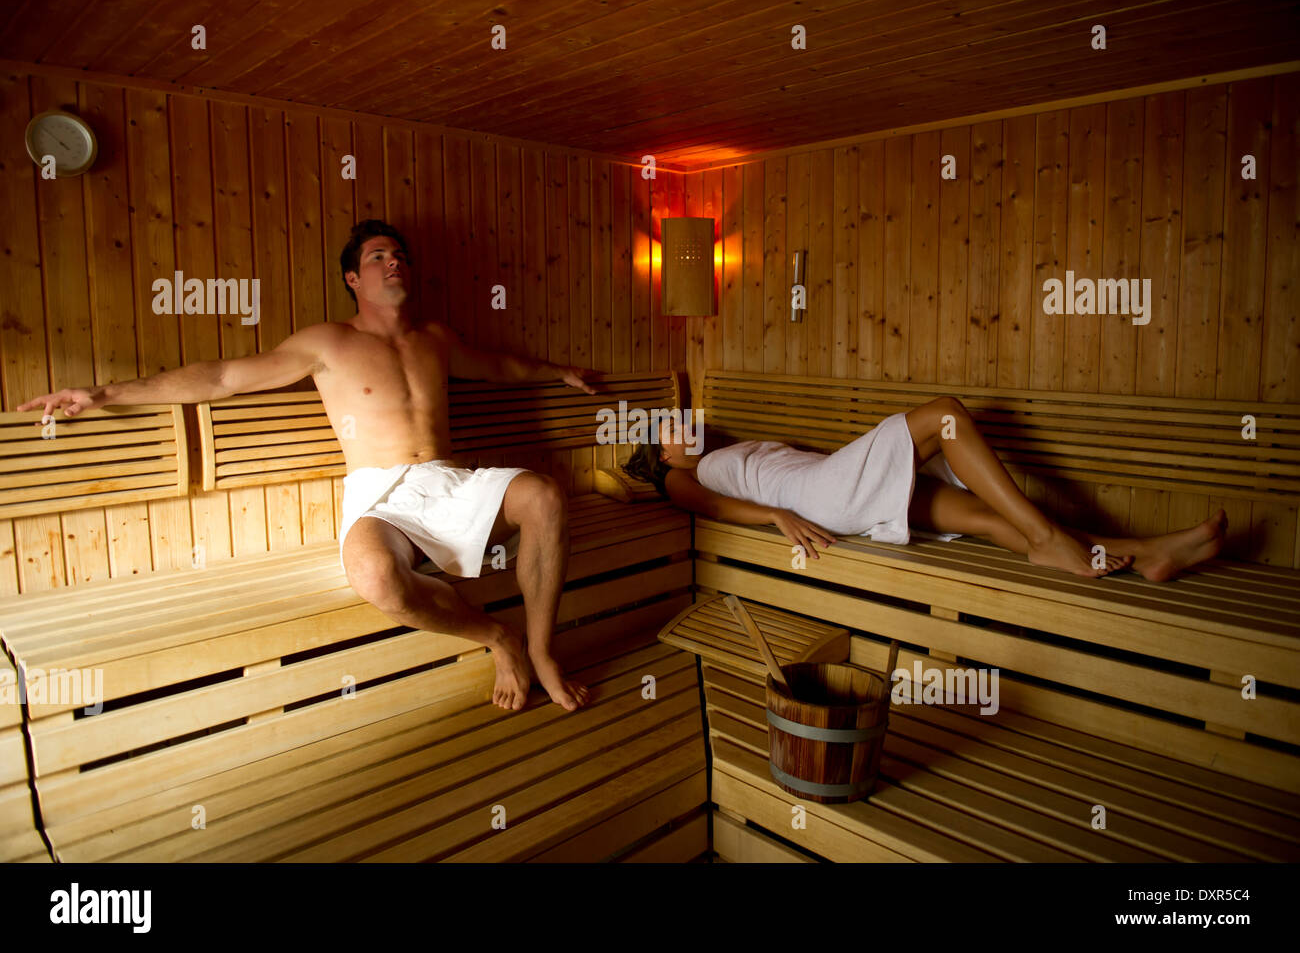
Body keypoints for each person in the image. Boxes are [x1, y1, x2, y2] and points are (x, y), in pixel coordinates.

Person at [18, 219, 599, 713]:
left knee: (544, 495)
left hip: (449, 480)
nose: (393, 263)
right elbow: (222, 377)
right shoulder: (327, 341)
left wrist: (557, 371)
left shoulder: (435, 338)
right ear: (354, 279)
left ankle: (544, 652)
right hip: (381, 493)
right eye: (378, 257)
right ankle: (498, 636)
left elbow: (498, 365)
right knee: (375, 576)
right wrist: (104, 393)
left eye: (399, 256)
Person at [623, 397, 1226, 582]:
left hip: (837, 490)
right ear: (665, 454)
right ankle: (1046, 539)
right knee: (946, 416)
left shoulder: (722, 451)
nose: (684, 422)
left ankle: (1149, 553)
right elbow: (711, 508)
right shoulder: (683, 476)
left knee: (987, 518)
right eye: (671, 427)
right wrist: (778, 516)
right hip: (824, 496)